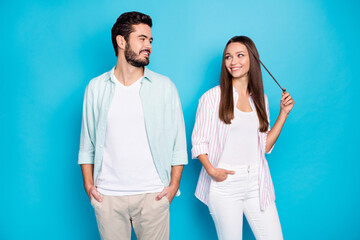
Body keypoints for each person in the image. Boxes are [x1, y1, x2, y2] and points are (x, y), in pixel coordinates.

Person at [78, 11, 188, 240]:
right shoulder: (95, 88)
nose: (148, 45)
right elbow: (87, 143)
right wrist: (89, 186)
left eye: (150, 40)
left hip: (153, 195)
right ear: (121, 41)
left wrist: (172, 186)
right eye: (141, 38)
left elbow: (179, 142)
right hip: (108, 197)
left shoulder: (164, 87)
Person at [191, 36, 294, 240]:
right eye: (228, 57)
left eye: (240, 55)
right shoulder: (212, 97)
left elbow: (264, 146)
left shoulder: (261, 99)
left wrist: (283, 113)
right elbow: (198, 142)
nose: (233, 62)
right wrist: (212, 171)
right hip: (225, 184)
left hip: (257, 181)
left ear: (252, 59)